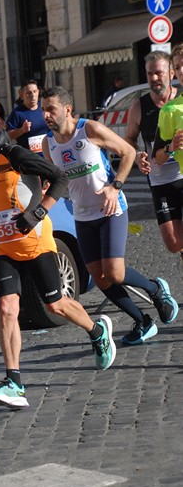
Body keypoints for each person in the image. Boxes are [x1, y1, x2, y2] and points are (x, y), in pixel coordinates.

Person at [0, 108, 117, 409]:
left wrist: (38, 212)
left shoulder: (15, 156)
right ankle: (14, 383)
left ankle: (97, 331)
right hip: (4, 248)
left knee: (55, 304)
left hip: (35, 244)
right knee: (7, 308)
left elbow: (58, 179)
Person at [41, 86, 178, 346]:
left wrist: (115, 187)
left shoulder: (89, 129)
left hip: (111, 209)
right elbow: (58, 178)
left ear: (67, 109)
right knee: (100, 277)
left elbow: (127, 152)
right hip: (82, 216)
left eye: (51, 109)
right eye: (43, 109)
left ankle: (156, 289)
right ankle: (142, 321)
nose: (46, 114)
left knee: (114, 272)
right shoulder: (49, 144)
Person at [125, 50, 183, 272]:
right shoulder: (140, 107)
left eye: (159, 73)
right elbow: (129, 139)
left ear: (170, 73)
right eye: (150, 74)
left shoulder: (181, 100)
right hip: (160, 182)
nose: (154, 78)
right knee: (173, 243)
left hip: (182, 174)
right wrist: (138, 155)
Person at [152, 43, 183, 275]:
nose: (182, 71)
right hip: (173, 182)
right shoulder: (169, 111)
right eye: (178, 67)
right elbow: (159, 157)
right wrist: (171, 147)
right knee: (175, 243)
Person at [6, 79, 48, 155]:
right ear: (22, 95)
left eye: (35, 91)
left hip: (48, 155)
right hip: (29, 158)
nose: (32, 95)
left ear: (38, 92)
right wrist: (22, 130)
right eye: (29, 93)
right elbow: (9, 136)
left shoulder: (44, 108)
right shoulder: (17, 113)